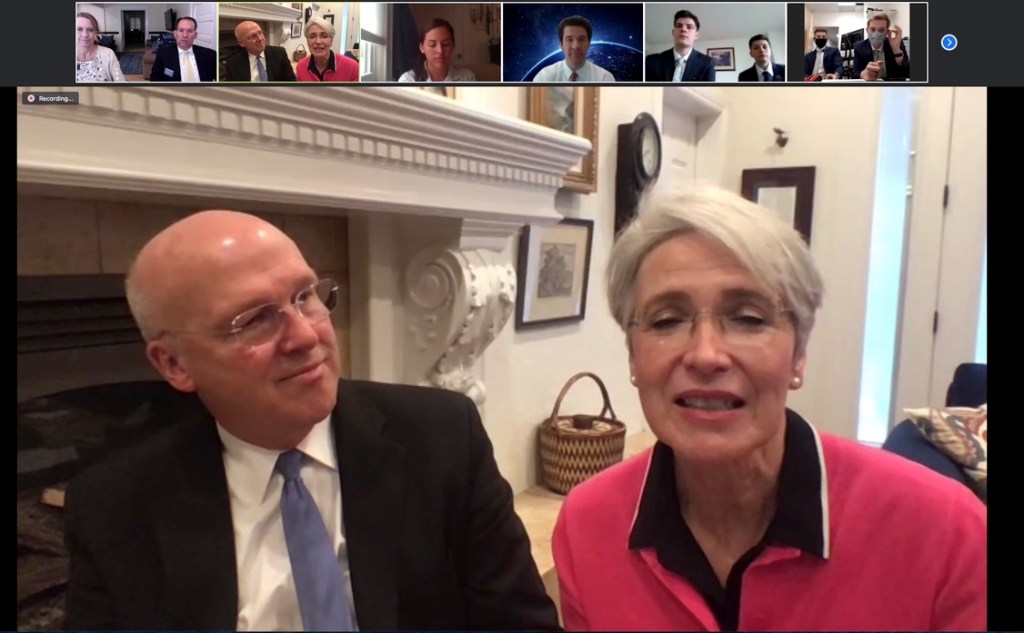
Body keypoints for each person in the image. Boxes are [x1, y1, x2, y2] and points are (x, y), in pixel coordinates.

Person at [63, 211, 559, 630]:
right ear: (174, 364)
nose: (306, 336)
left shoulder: (442, 437)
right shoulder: (114, 505)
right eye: (253, 319)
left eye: (305, 296)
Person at [552, 187, 987, 630]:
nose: (706, 355)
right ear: (633, 356)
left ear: (798, 354)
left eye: (748, 318)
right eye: (667, 320)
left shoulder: (946, 532)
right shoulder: (587, 528)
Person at [533, 16, 614, 82]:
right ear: (561, 44)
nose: (575, 46)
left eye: (581, 39)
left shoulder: (604, 79)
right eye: (569, 40)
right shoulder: (544, 78)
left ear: (589, 43)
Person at [645, 10, 714, 82]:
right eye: (678, 26)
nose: (683, 29)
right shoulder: (651, 61)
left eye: (689, 27)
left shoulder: (707, 63)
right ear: (673, 32)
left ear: (696, 35)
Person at [398, 18, 475, 82]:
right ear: (422, 47)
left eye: (446, 44)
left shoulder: (467, 78)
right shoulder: (408, 80)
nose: (440, 51)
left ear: (453, 46)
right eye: (432, 44)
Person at [222, 21, 297, 82]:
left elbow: (291, 81)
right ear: (241, 43)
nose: (260, 38)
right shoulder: (233, 63)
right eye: (253, 36)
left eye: (260, 33)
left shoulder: (279, 53)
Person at [149, 17, 217, 82]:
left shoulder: (210, 55)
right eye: (181, 30)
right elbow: (155, 79)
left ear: (195, 35)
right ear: (175, 34)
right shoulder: (163, 54)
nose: (185, 35)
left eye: (190, 31)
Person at [296, 16, 359, 82]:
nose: (318, 41)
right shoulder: (301, 67)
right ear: (307, 41)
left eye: (324, 36)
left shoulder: (352, 67)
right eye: (312, 36)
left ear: (331, 41)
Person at [854, 13, 909, 81]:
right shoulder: (859, 47)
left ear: (887, 32)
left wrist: (896, 50)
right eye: (872, 29)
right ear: (867, 30)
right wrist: (863, 74)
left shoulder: (897, 43)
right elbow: (855, 74)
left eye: (881, 30)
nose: (876, 34)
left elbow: (907, 73)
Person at [75, 12, 125, 82]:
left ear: (96, 32)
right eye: (79, 29)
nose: (85, 34)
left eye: (90, 30)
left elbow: (120, 81)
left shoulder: (108, 54)